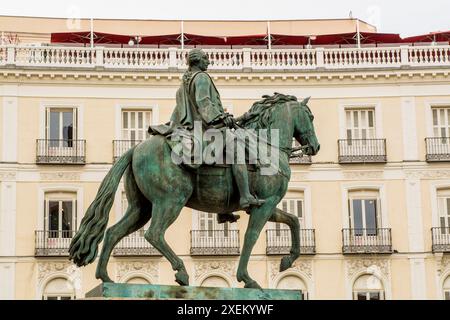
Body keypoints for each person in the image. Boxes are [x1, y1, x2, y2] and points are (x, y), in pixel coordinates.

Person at [149, 49, 265, 223]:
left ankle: (223, 209)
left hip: (192, 128)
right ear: (197, 61)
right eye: (206, 59)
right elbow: (204, 103)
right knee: (238, 148)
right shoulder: (201, 78)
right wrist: (220, 118)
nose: (208, 62)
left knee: (224, 155)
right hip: (204, 129)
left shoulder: (185, 82)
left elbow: (181, 110)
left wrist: (225, 118)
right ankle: (245, 197)